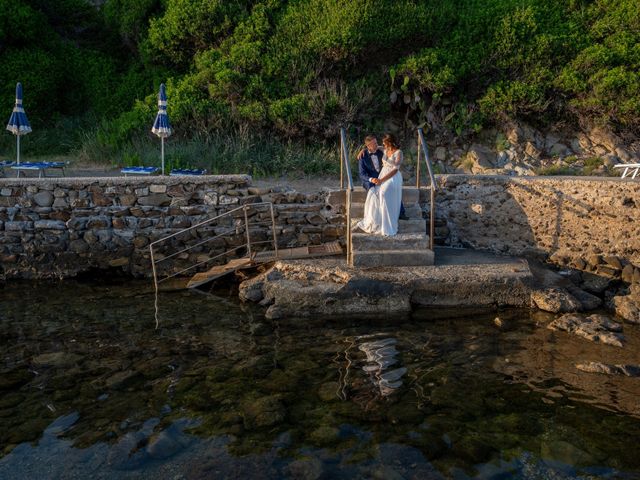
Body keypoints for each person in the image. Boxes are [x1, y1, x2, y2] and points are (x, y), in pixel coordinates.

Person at [356, 133, 404, 236]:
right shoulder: (384, 149)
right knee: (376, 194)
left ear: (388, 143)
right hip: (379, 177)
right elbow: (362, 173)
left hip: (392, 177)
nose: (379, 144)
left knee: (384, 193)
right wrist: (363, 150)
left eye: (381, 142)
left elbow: (395, 170)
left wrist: (381, 180)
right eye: (375, 143)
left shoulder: (397, 152)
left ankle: (391, 220)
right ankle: (377, 220)